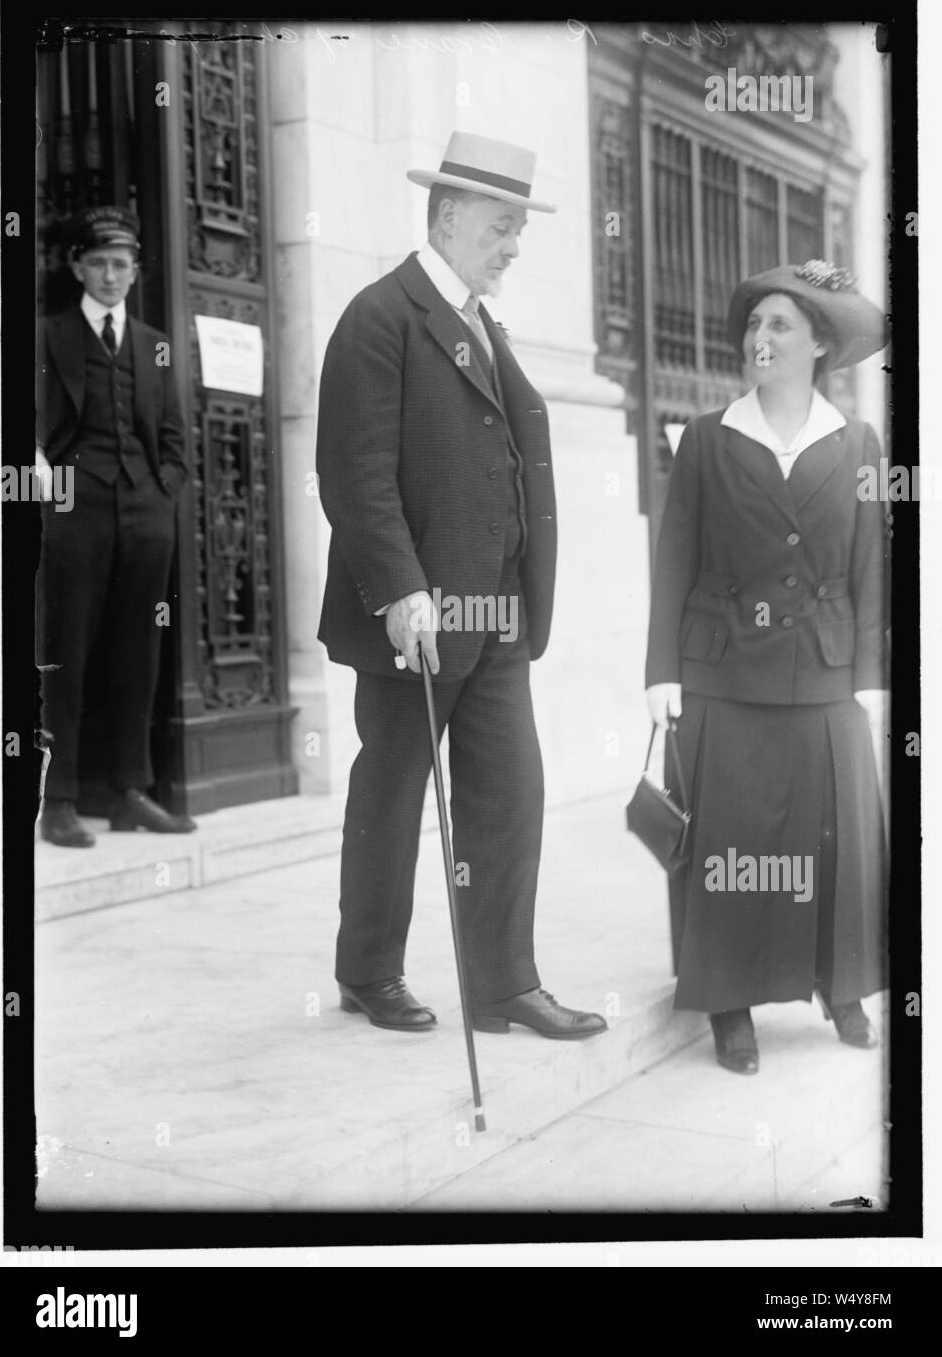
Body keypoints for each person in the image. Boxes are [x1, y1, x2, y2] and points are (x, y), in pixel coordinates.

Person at [316, 131, 606, 1039]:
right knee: (394, 793)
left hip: (497, 613)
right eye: (500, 227)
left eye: (518, 229)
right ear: (446, 218)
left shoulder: (484, 323)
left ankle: (503, 985)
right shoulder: (380, 317)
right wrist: (401, 590)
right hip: (419, 620)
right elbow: (354, 474)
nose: (514, 247)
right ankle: (369, 970)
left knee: (510, 795)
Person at [644, 259, 889, 1073]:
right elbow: (673, 559)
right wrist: (661, 673)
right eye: (754, 323)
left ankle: (840, 985)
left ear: (819, 344)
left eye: (780, 324)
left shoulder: (858, 442)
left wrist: (871, 677)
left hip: (824, 669)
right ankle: (729, 1001)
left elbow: (871, 567)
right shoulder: (707, 438)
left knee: (833, 837)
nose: (761, 336)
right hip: (721, 671)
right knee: (732, 843)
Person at [36, 205, 196, 846]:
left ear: (135, 271)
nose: (110, 275)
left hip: (145, 514)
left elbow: (175, 436)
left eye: (121, 264)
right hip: (74, 512)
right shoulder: (46, 335)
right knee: (66, 654)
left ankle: (131, 792)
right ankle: (58, 799)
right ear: (77, 267)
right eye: (99, 263)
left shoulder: (155, 344)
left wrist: (163, 493)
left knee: (139, 654)